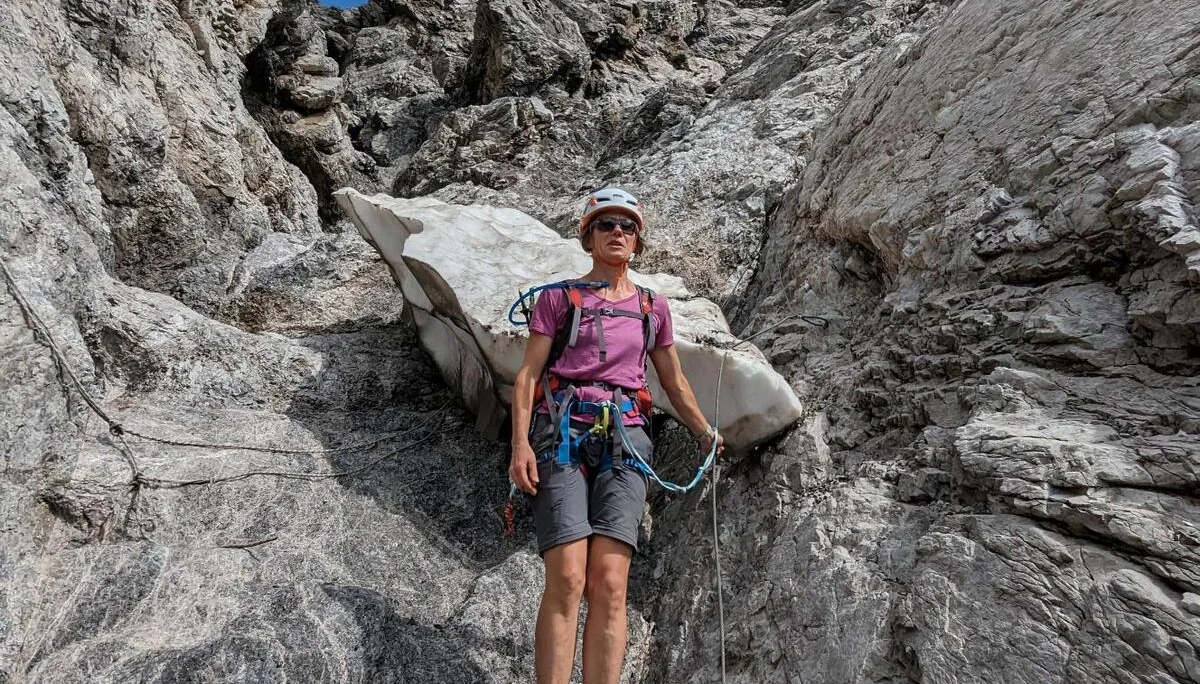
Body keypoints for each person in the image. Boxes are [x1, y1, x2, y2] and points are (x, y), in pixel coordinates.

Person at [508, 188, 724, 684]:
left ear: (638, 242)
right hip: (561, 434)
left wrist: (703, 432)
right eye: (606, 224)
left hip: (626, 438)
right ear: (588, 237)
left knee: (609, 582)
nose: (617, 233)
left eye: (626, 226)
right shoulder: (557, 299)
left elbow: (671, 380)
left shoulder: (653, 307)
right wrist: (519, 444)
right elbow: (527, 376)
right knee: (567, 576)